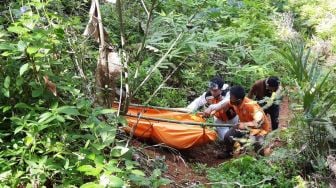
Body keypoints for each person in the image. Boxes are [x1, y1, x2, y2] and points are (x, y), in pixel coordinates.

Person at [204, 85, 271, 158]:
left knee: (258, 143)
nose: (230, 100)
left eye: (232, 98)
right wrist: (211, 109)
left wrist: (245, 124)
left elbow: (259, 122)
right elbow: (223, 104)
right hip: (244, 126)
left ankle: (260, 158)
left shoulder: (251, 106)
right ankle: (229, 152)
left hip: (259, 129)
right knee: (228, 136)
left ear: (239, 100)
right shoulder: (233, 102)